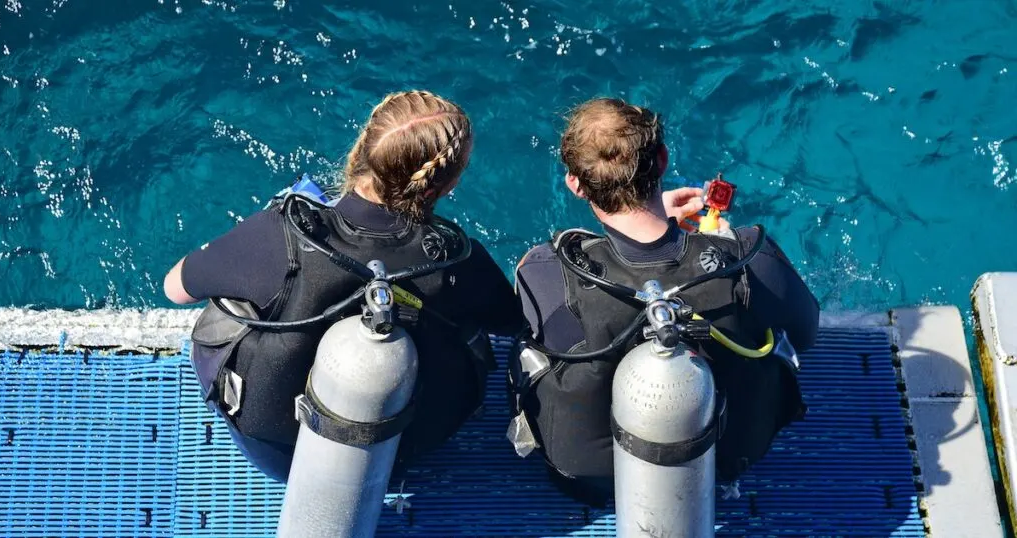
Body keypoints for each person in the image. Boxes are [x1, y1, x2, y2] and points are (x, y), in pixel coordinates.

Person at [163, 90, 522, 481]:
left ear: (364, 148)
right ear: (442, 187)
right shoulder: (455, 260)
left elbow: (175, 288)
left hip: (280, 454)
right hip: (406, 447)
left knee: (232, 303)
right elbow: (511, 320)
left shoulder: (283, 236)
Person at [508, 98, 820, 505]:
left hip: (592, 480)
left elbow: (522, 298)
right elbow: (806, 330)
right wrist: (714, 245)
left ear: (575, 184)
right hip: (726, 457)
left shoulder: (549, 270)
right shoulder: (748, 259)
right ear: (663, 159)